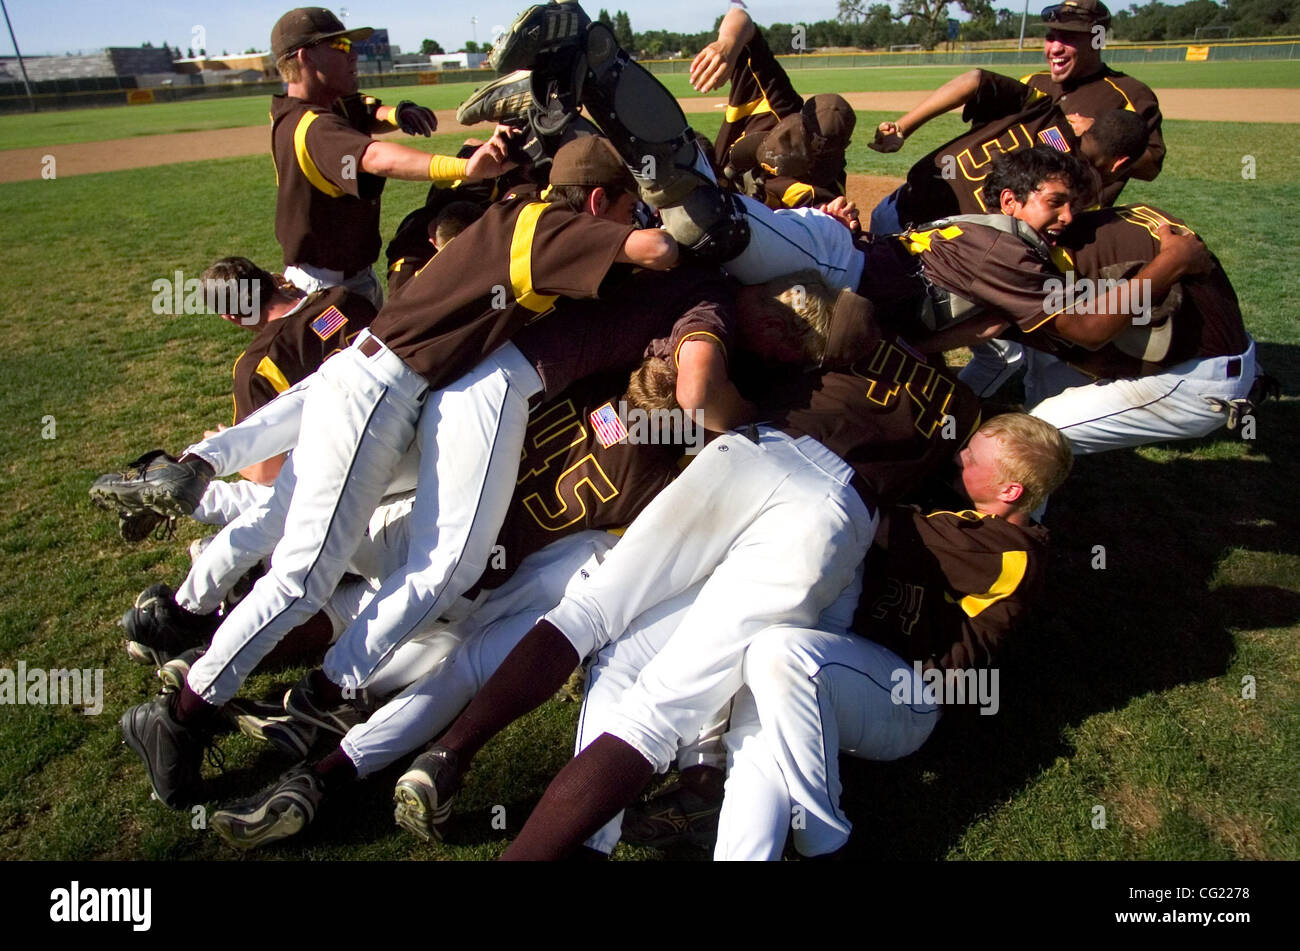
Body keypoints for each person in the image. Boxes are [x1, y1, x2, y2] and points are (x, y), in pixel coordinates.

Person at [109, 135, 680, 809]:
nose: (626, 221)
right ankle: (185, 709)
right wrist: (674, 227)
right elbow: (659, 251)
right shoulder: (548, 225)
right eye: (622, 207)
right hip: (385, 393)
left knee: (287, 526)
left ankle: (193, 504)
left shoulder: (517, 210)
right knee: (307, 578)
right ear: (594, 200)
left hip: (375, 381)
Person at [712, 414, 1073, 859]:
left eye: (973, 458)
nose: (959, 455)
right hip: (853, 669)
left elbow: (875, 522)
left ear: (1009, 492)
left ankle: (824, 835)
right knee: (758, 733)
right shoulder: (970, 510)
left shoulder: (1009, 553)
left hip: (907, 699)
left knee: (780, 654)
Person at [89, 256, 376, 540]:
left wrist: (233, 446)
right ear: (270, 280)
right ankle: (170, 489)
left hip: (338, 469)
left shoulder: (258, 364)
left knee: (260, 495)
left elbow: (267, 473)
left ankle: (170, 488)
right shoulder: (347, 299)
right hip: (392, 427)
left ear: (231, 317)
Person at [268, 7, 511, 308]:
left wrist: (396, 114)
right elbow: (375, 157)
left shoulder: (326, 104)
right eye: (340, 46)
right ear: (305, 56)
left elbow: (363, 108)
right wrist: (466, 167)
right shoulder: (312, 126)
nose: (353, 55)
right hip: (325, 288)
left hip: (352, 275)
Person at [1016, 203, 1259, 454]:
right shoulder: (1111, 223)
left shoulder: (1076, 247)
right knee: (1046, 380)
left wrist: (1173, 261)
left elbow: (1094, 333)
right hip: (1214, 358)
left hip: (1198, 377)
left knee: (1029, 436)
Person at [867, 66, 1150, 233]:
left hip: (898, 207)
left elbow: (975, 78)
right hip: (937, 249)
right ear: (1119, 163)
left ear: (1088, 126)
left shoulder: (1040, 107)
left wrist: (903, 128)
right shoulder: (1076, 199)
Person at [1022, 0, 1164, 207]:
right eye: (1051, 37)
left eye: (1068, 38)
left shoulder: (1131, 94)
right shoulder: (1031, 82)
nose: (1055, 49)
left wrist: (1100, 139)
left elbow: (1151, 167)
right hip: (1012, 210)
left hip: (1073, 221)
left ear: (1097, 40)